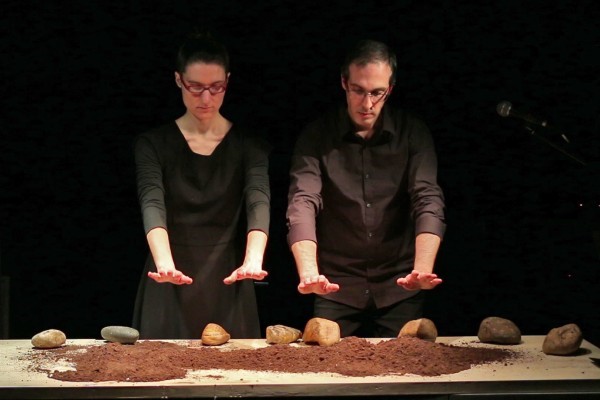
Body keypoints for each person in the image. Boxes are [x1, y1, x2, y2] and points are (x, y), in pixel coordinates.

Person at [286, 39, 446, 338]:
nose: (367, 103)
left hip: (399, 285)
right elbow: (302, 201)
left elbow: (427, 199)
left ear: (391, 89)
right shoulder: (317, 135)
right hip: (337, 286)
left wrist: (422, 269)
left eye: (377, 92)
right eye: (358, 90)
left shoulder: (413, 133)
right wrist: (308, 273)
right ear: (344, 83)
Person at [132, 32, 271, 339]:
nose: (206, 99)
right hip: (167, 277)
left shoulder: (249, 146)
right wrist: (165, 264)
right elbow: (152, 201)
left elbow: (258, 200)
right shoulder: (153, 144)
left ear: (228, 81)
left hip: (229, 279)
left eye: (216, 87)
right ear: (178, 80)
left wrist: (253, 260)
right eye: (196, 87)